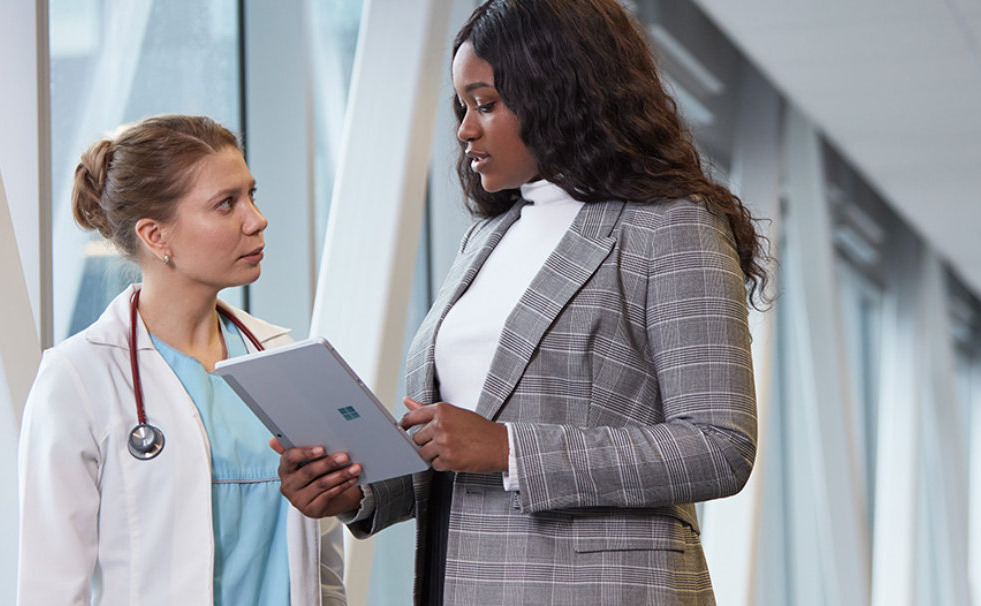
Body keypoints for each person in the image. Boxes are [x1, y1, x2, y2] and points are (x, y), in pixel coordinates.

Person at [274, 0, 770, 604]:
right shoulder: (487, 238)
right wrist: (358, 489)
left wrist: (509, 447)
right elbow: (460, 451)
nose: (465, 129)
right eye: (462, 107)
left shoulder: (671, 226)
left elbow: (719, 445)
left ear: (558, 94)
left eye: (485, 104)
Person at [17, 115, 346, 606]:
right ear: (155, 236)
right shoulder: (78, 378)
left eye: (251, 195)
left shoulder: (283, 357)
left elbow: (323, 571)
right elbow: (51, 589)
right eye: (226, 203)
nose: (256, 219)